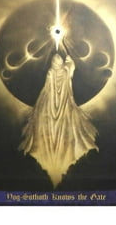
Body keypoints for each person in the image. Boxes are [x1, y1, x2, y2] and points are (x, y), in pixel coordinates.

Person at [19, 52, 98, 186]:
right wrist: (69, 59)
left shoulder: (50, 73)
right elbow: (71, 66)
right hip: (64, 105)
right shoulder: (66, 71)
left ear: (52, 63)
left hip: (50, 105)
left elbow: (46, 90)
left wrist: (41, 104)